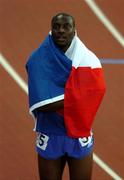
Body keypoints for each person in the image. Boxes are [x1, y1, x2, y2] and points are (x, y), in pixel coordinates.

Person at [26, 13, 106, 180]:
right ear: (51, 29)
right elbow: (41, 103)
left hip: (79, 131)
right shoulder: (38, 59)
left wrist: (63, 98)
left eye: (66, 26)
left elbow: (97, 91)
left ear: (74, 30)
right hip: (50, 131)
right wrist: (77, 97)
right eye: (56, 26)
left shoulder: (87, 59)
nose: (61, 30)